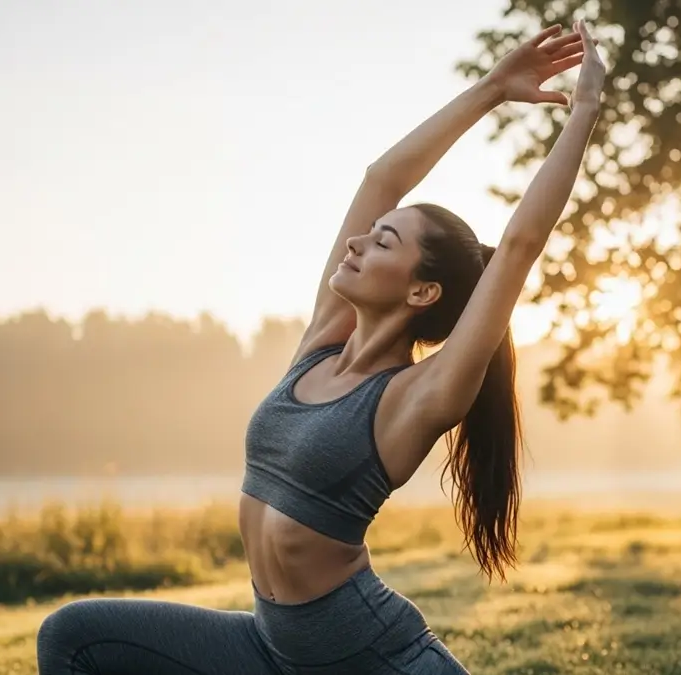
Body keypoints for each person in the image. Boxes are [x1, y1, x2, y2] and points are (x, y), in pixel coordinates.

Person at [36, 19, 607, 675]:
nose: (357, 242)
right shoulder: (322, 343)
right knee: (72, 637)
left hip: (374, 659)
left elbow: (519, 246)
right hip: (272, 648)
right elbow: (381, 178)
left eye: (384, 241)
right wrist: (492, 89)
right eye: (370, 232)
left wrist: (584, 110)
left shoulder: (417, 397)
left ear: (422, 291)